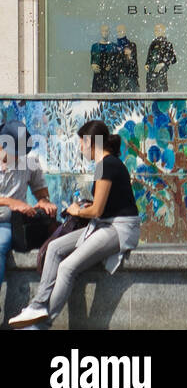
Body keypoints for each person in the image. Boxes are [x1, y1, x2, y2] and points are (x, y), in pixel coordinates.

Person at [8, 121, 140, 329]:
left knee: (68, 267)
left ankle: (42, 324)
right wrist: (83, 206)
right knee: (54, 247)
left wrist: (77, 210)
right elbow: (102, 206)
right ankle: (39, 305)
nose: (80, 148)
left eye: (81, 143)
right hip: (103, 224)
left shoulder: (107, 165)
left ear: (89, 142)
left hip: (119, 228)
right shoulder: (102, 166)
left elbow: (97, 210)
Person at [0, 123, 58, 299]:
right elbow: (11, 202)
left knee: (0, 244)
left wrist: (44, 203)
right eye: (15, 151)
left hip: (9, 222)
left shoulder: (30, 162)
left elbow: (41, 194)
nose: (18, 157)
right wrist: (10, 202)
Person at [145, 23, 177, 92]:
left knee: (161, 90)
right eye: (155, 30)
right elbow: (149, 57)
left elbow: (173, 59)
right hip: (151, 74)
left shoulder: (167, 44)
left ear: (163, 31)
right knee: (150, 90)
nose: (157, 32)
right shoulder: (153, 44)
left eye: (158, 30)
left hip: (161, 75)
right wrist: (147, 64)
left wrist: (163, 64)